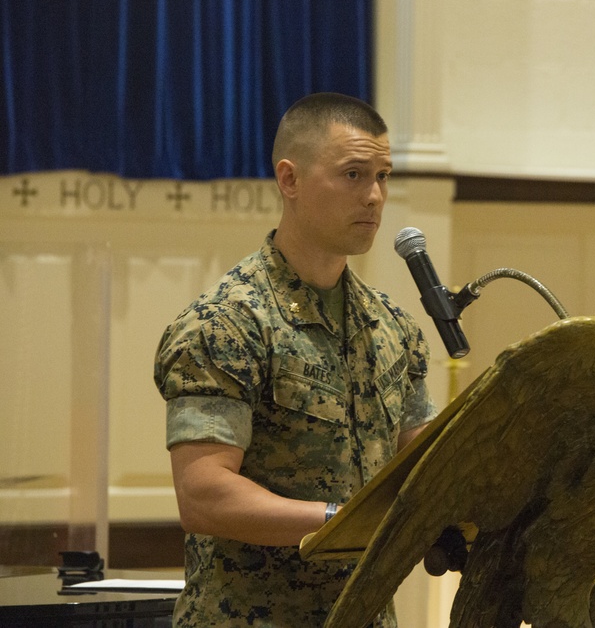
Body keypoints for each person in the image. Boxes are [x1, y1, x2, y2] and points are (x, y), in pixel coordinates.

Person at [154, 92, 437, 627]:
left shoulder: (394, 327)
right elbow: (204, 495)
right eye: (354, 175)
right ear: (290, 180)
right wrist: (343, 523)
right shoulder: (227, 323)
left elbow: (424, 464)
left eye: (383, 176)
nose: (375, 196)